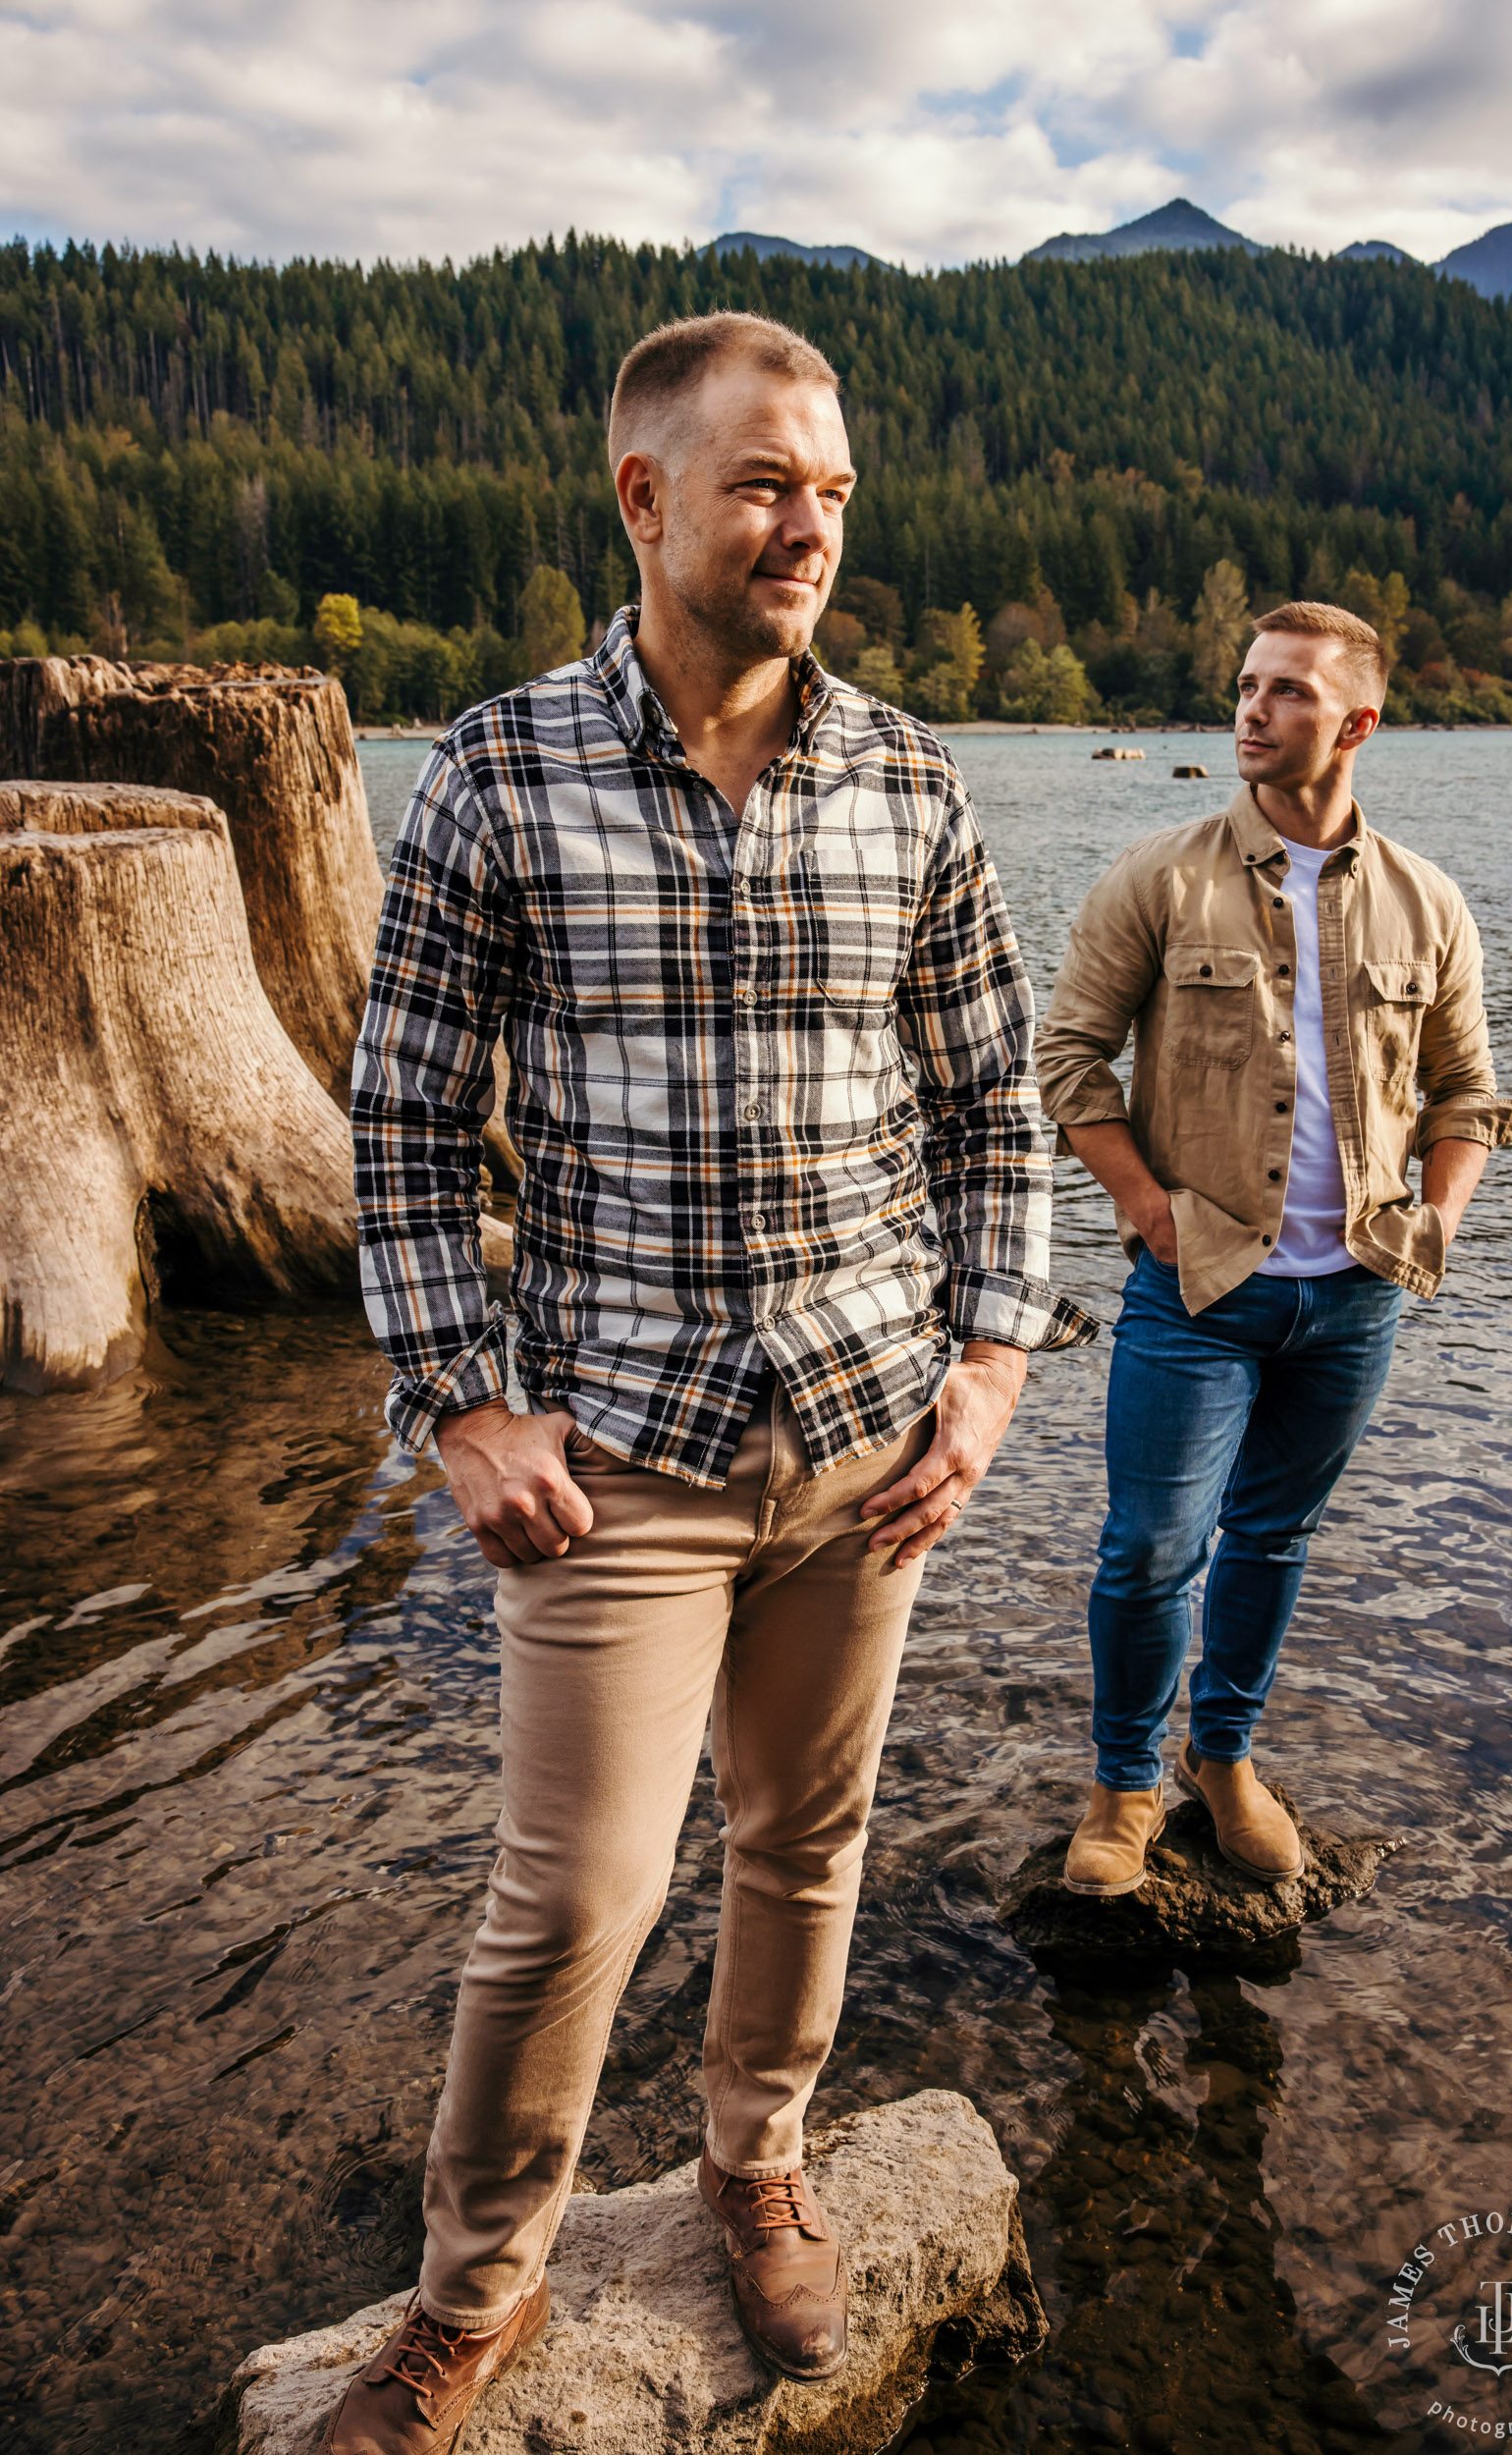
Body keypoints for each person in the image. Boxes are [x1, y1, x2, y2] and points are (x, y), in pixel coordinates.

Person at [335, 310, 1092, 2453]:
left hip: (866, 1434)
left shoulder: (911, 777)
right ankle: (467, 2299)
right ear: (644, 495)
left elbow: (990, 1116)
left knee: (811, 1834)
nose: (810, 524)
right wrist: (459, 1401)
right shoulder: (498, 767)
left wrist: (992, 1360)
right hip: (622, 1455)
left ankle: (760, 2157)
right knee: (571, 1893)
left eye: (833, 488)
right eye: (765, 482)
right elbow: (400, 1119)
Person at [1035, 601, 1512, 1900]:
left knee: (1276, 1536)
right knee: (1148, 1549)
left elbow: (1468, 1091)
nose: (1253, 709)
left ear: (1358, 722)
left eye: (1290, 692)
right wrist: (1147, 1208)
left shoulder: (1430, 903)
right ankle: (1122, 1788)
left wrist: (1436, 1221)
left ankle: (1227, 1760)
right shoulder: (1162, 875)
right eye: (1247, 686)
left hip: (1356, 1299)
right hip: (1197, 1291)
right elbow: (1067, 1056)